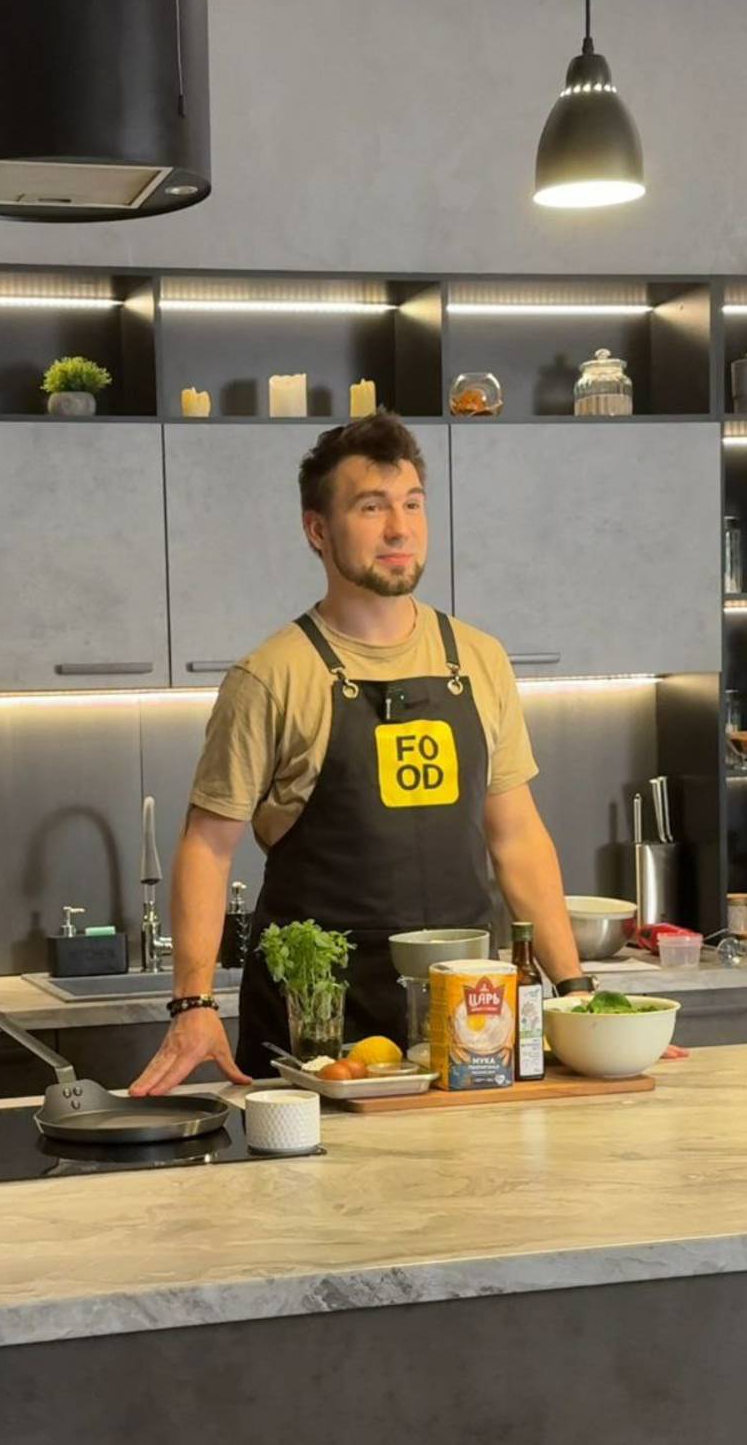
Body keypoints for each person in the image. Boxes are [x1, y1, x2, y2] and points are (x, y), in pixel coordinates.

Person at [130, 412, 592, 1095]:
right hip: (313, 1035)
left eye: (412, 504)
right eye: (371, 508)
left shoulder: (479, 660)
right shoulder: (272, 677)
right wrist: (193, 1003)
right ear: (318, 530)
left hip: (468, 1029)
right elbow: (207, 844)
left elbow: (517, 838)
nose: (399, 529)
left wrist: (576, 993)